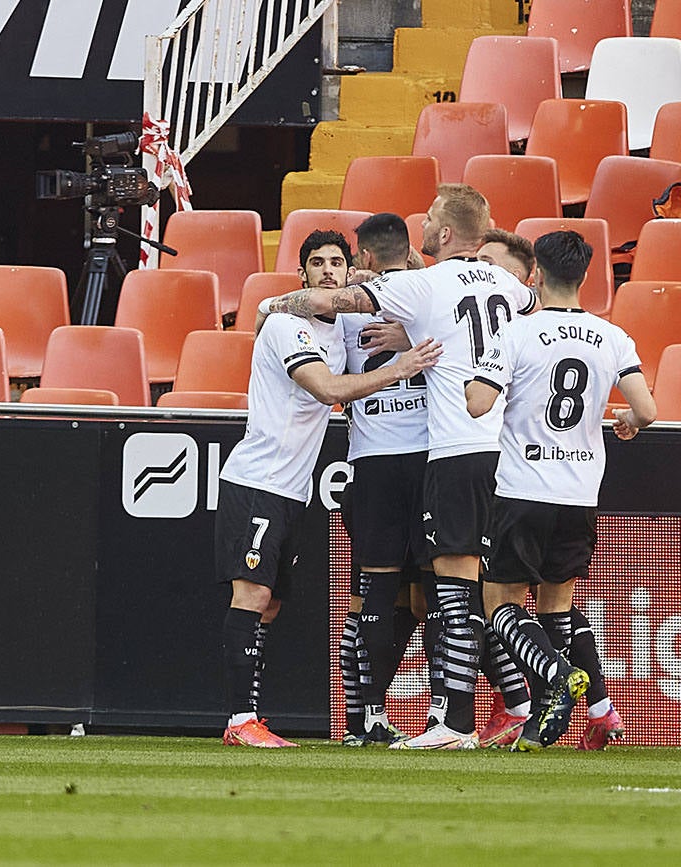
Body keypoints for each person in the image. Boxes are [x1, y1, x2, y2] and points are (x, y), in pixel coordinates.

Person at [266, 184, 538, 749]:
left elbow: (326, 303)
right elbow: (528, 305)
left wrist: (273, 304)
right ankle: (490, 706)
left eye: (431, 221)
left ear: (439, 235)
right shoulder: (508, 286)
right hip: (487, 452)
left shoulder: (412, 287)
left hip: (434, 456)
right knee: (449, 591)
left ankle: (449, 717)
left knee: (419, 592)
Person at [217, 229, 441, 748]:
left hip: (291, 488)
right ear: (303, 275)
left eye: (336, 263)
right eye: (316, 263)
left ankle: (253, 715)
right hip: (258, 480)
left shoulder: (339, 324)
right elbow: (330, 389)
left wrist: (372, 278)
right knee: (250, 596)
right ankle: (239, 720)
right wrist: (404, 368)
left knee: (270, 605)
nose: (326, 270)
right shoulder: (287, 327)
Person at [466, 230, 656, 750]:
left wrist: (471, 376)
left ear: (536, 276)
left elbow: (478, 403)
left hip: (522, 488)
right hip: (579, 493)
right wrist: (626, 422)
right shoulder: (611, 336)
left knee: (498, 606)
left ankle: (553, 679)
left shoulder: (517, 333)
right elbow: (648, 410)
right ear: (586, 276)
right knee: (556, 609)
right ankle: (591, 709)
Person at [337, 213, 440, 746]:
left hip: (374, 459)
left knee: (376, 589)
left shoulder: (344, 310)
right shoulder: (435, 296)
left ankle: (367, 714)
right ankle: (447, 716)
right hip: (430, 457)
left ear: (367, 258)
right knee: (438, 592)